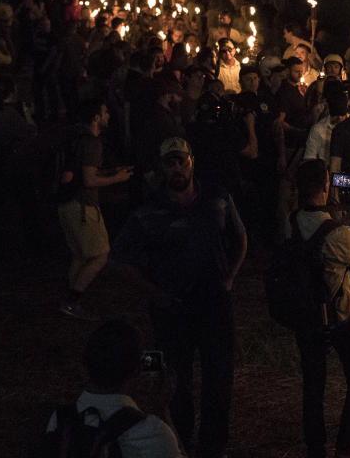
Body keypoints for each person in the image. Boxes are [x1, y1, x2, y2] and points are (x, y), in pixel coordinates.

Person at [110, 137, 247, 458]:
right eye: (169, 162)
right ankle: (180, 441)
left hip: (214, 302)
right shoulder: (148, 211)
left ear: (191, 161)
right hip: (173, 308)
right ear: (161, 167)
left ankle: (214, 446)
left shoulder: (217, 198)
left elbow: (240, 236)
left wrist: (230, 276)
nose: (176, 167)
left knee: (218, 376)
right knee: (177, 378)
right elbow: (117, 259)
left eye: (181, 161)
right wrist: (154, 292)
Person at [290, 159, 350, 458]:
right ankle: (346, 446)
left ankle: (315, 447)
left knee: (313, 385)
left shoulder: (290, 221)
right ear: (325, 186)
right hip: (342, 315)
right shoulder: (337, 234)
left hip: (305, 315)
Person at [44, 320, 185, 458]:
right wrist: (162, 410)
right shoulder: (150, 433)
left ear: (85, 366)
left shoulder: (59, 420)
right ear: (137, 370)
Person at [58, 97, 134, 320]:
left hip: (67, 204)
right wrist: (117, 179)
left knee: (81, 256)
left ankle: (68, 299)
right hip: (82, 206)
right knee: (101, 255)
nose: (108, 116)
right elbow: (89, 181)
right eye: (105, 112)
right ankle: (72, 301)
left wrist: (111, 172)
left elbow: (84, 173)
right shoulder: (92, 142)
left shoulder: (75, 138)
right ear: (96, 118)